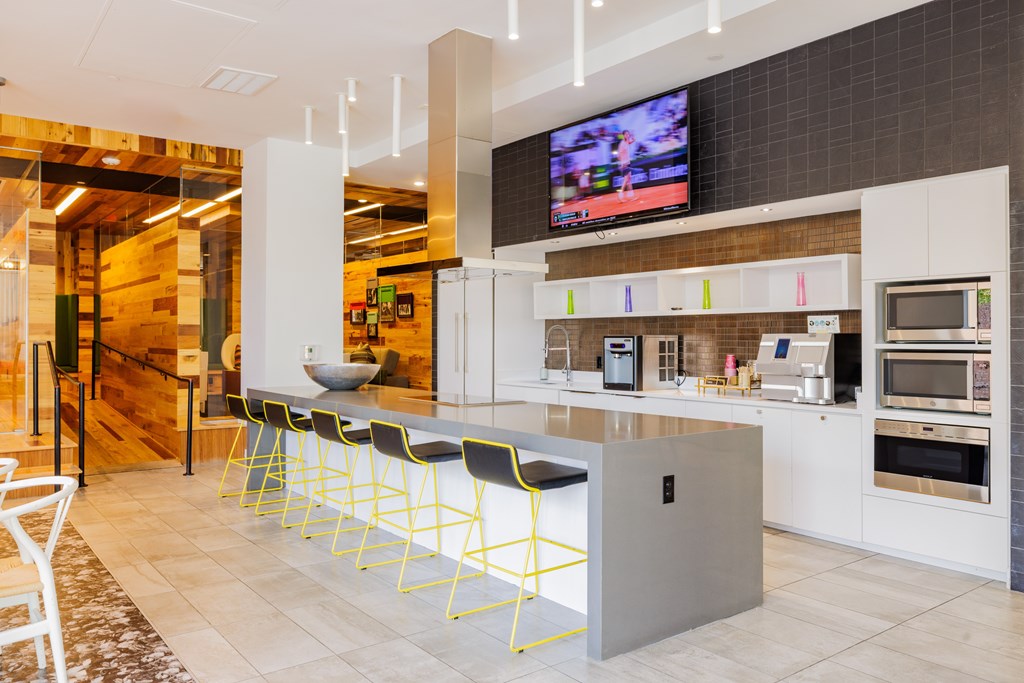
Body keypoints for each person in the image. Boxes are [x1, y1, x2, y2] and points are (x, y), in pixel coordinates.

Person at [617, 130, 636, 202]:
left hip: (628, 163)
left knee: (629, 179)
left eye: (628, 134)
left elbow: (633, 140)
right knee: (626, 180)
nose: (627, 135)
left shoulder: (626, 142)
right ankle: (620, 195)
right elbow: (618, 155)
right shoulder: (622, 144)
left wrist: (632, 135)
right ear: (623, 135)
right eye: (626, 134)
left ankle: (631, 196)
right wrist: (622, 163)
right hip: (625, 164)